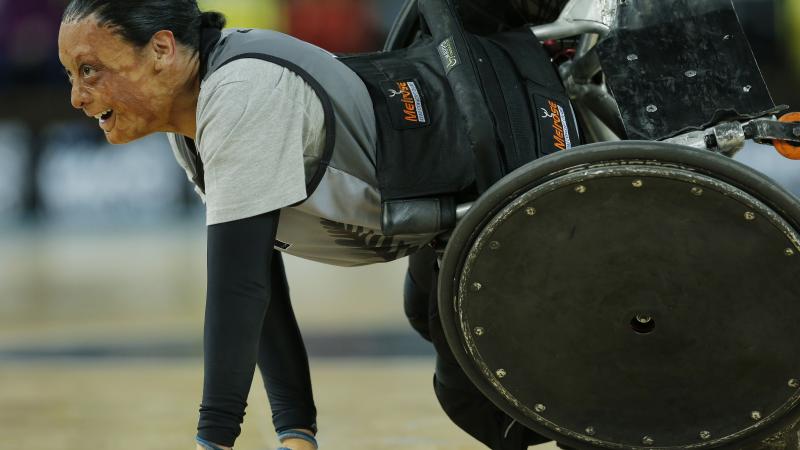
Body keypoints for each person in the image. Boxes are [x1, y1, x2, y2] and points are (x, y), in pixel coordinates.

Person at [57, 0, 567, 449]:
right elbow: (261, 286)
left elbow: (240, 290)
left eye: (89, 70)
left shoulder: (239, 93)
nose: (77, 97)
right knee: (445, 343)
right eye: (71, 75)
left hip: (502, 169)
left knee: (484, 402)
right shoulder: (191, 118)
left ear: (162, 49)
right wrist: (295, 430)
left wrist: (214, 439)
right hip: (441, 212)